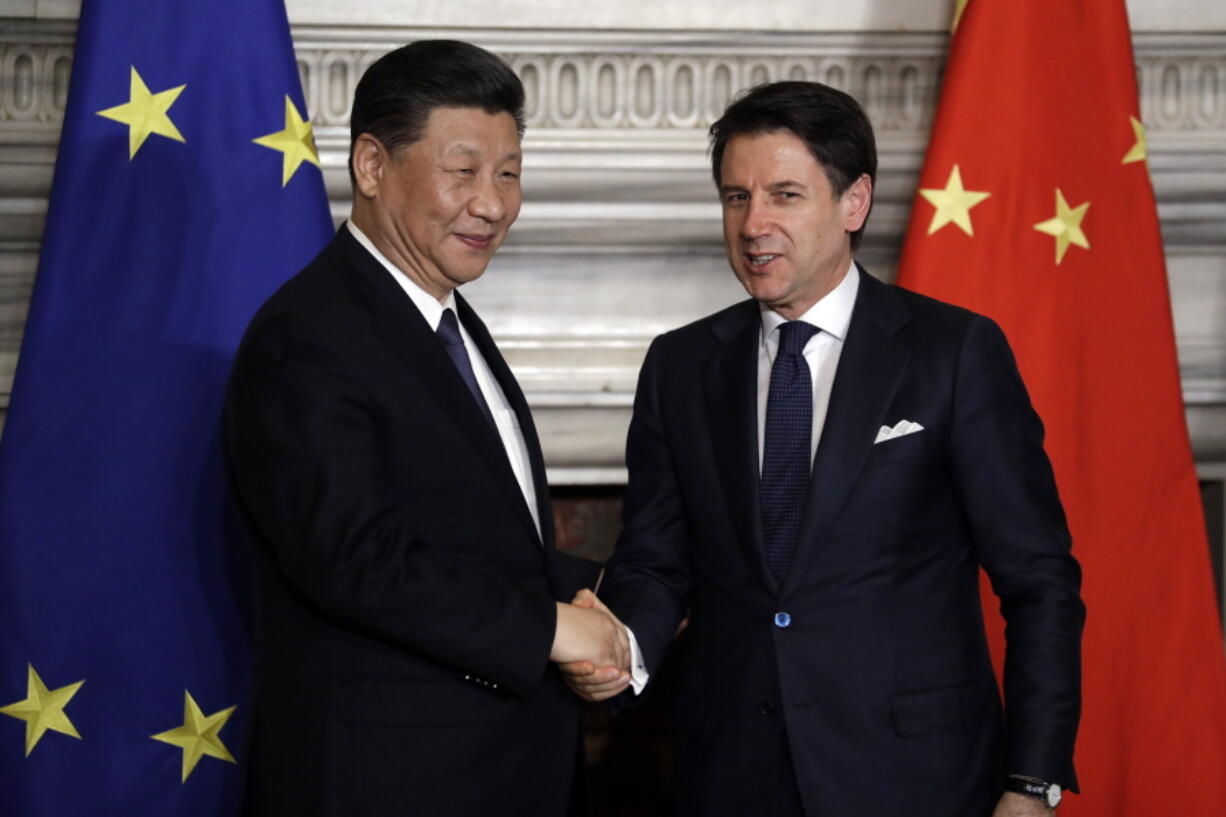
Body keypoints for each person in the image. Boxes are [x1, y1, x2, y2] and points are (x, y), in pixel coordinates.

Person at [562, 81, 1085, 817]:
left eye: (784, 195)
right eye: (736, 197)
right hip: (732, 775)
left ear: (854, 203)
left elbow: (1040, 582)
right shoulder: (680, 366)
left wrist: (1032, 782)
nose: (753, 225)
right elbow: (657, 558)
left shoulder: (953, 353)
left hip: (918, 777)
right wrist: (618, 650)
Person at [224, 40, 627, 817]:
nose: (493, 202)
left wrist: (606, 589)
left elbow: (469, 535)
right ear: (372, 165)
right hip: (383, 783)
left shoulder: (447, 317)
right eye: (464, 170)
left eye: (509, 172)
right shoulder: (307, 333)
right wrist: (552, 626)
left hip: (496, 771)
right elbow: (352, 556)